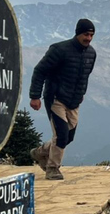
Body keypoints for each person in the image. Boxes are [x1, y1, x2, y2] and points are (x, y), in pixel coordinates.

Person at [29, 18, 97, 180]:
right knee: (61, 134)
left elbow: (84, 77)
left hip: (74, 101)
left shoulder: (91, 53)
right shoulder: (59, 50)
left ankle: (40, 152)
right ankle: (52, 168)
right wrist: (35, 96)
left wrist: (81, 95)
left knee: (69, 136)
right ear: (78, 33)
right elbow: (40, 71)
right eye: (86, 34)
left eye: (91, 35)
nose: (88, 38)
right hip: (55, 98)